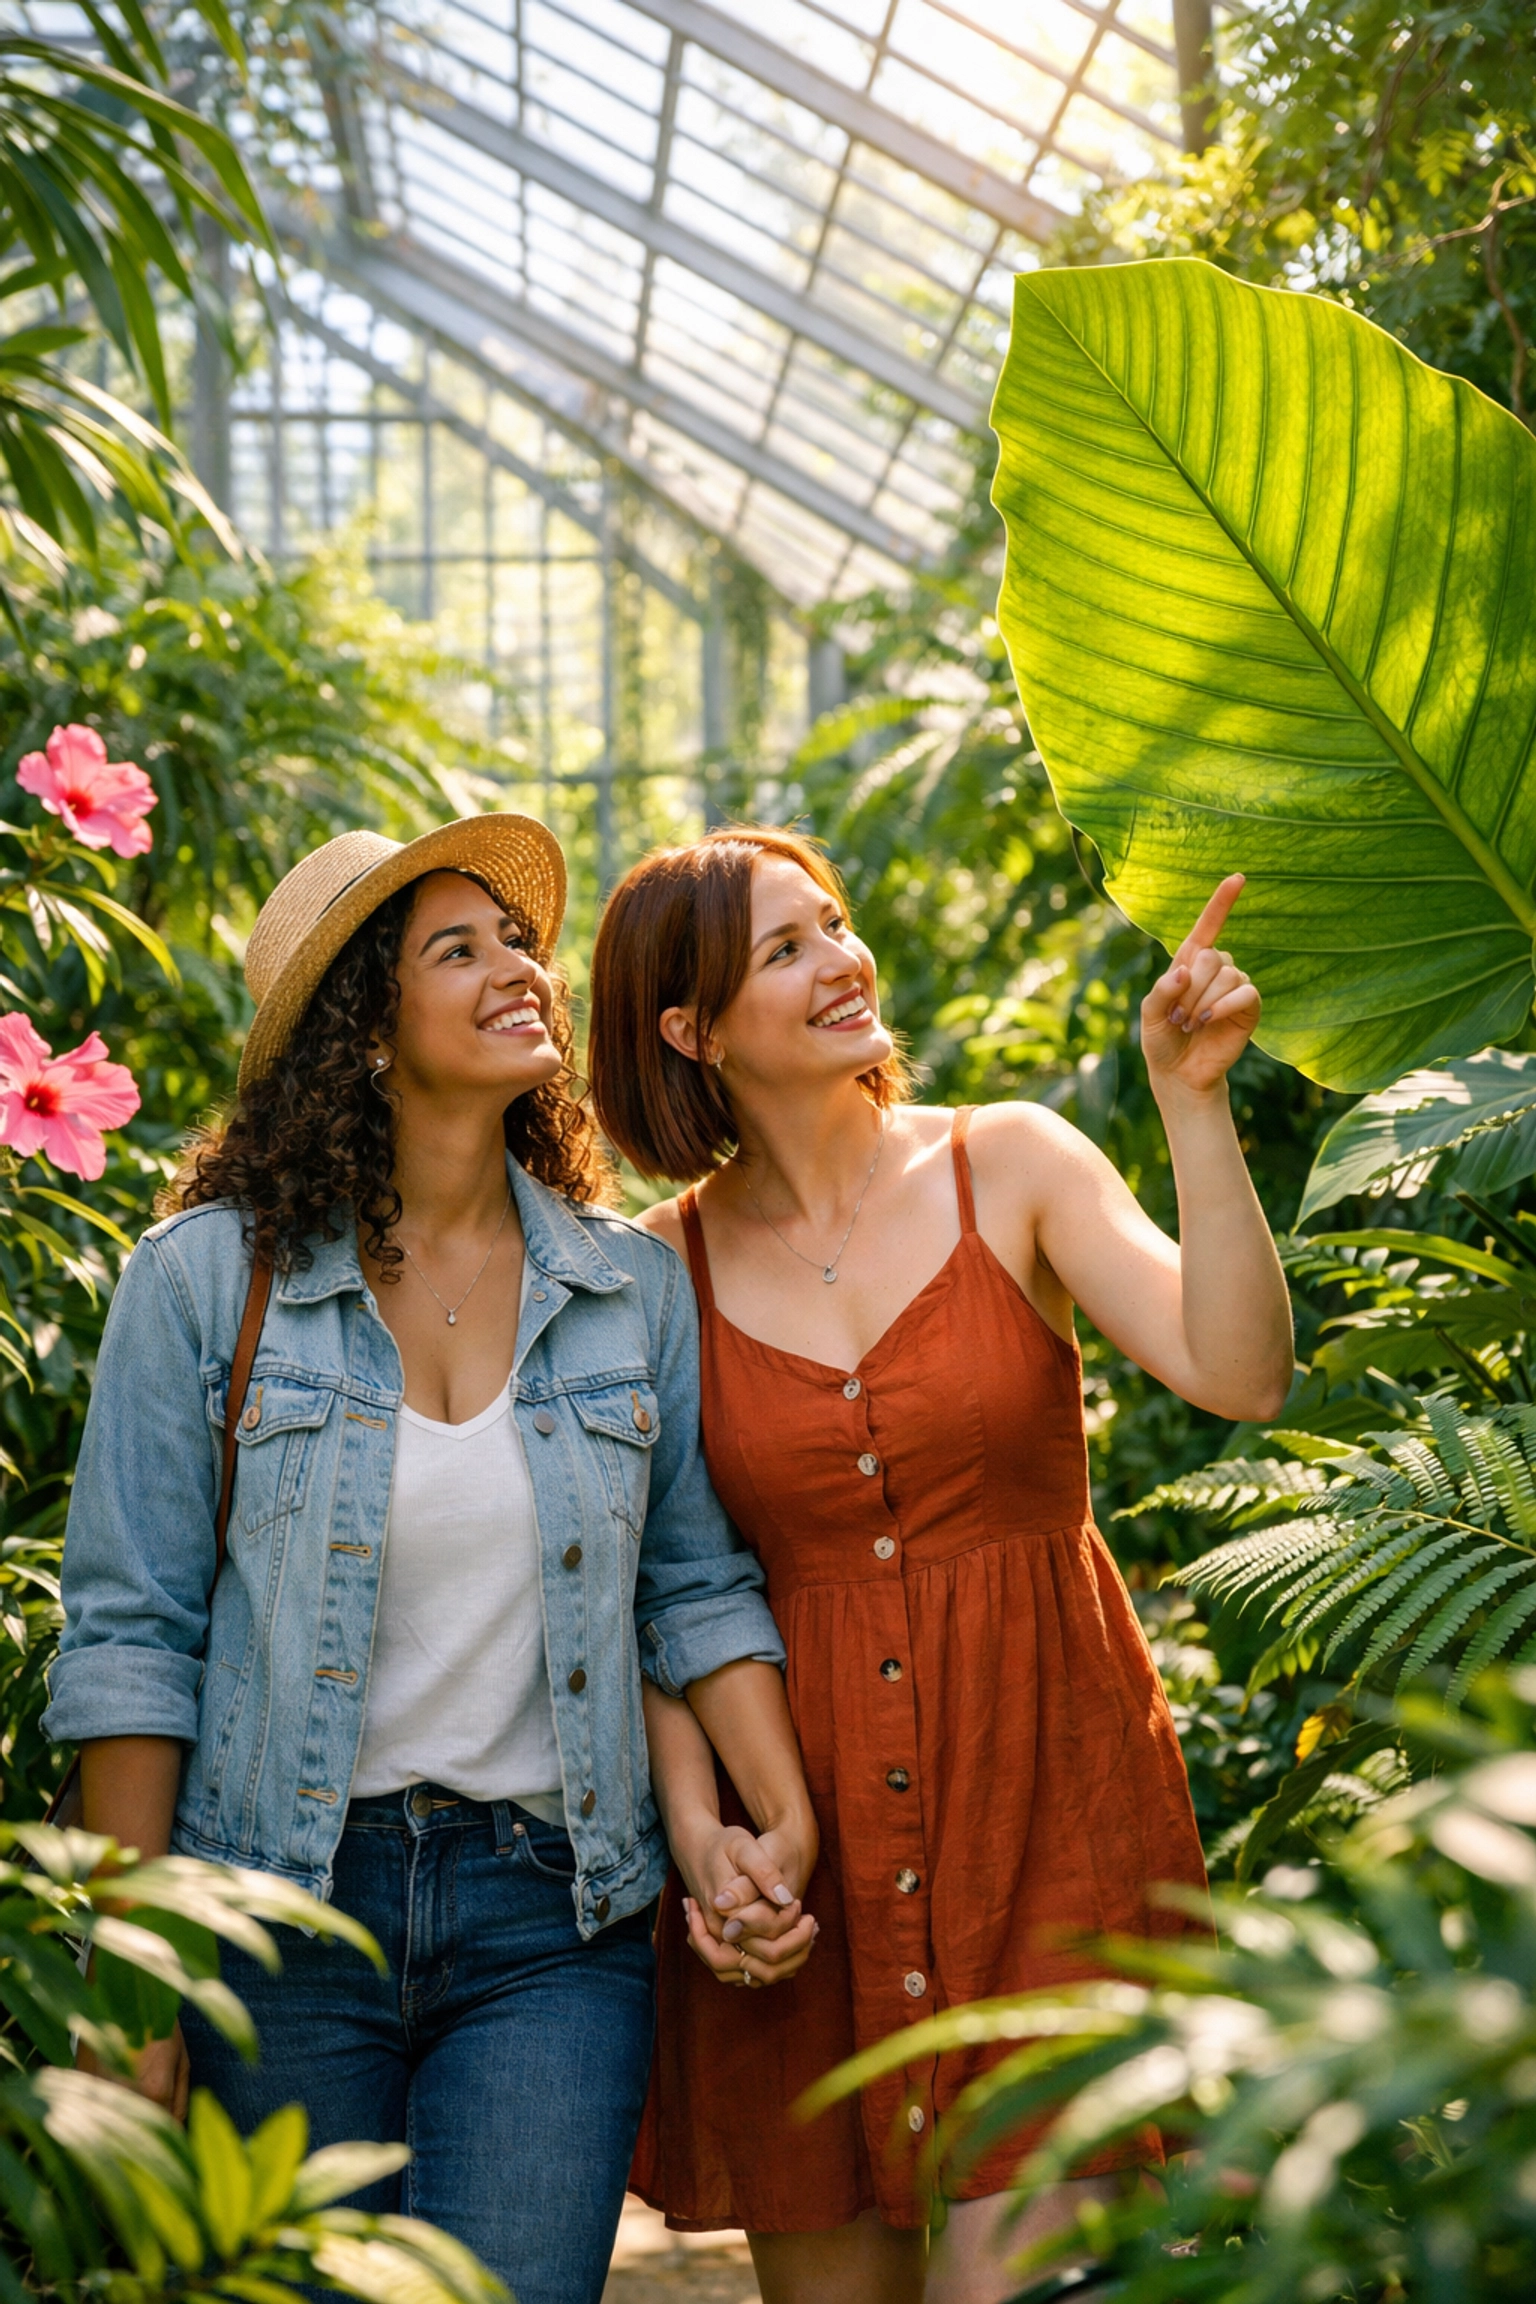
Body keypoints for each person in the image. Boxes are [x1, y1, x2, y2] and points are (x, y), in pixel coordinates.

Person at [44, 816, 820, 2304]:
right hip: (277, 1914)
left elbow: (690, 1586)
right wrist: (130, 1994)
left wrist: (769, 1823)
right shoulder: (205, 1284)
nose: (518, 968)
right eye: (454, 949)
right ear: (364, 1032)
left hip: (550, 1921)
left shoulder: (626, 1288)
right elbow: (134, 1648)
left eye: (516, 939)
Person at [586, 828, 1293, 2304]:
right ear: (692, 1028)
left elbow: (1239, 1371)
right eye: (785, 948)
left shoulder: (1010, 1163)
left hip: (1047, 1799)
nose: (843, 961)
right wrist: (709, 1843)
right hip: (809, 1855)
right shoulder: (659, 1273)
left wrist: (1192, 1103)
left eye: (834, 924)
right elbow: (652, 1587)